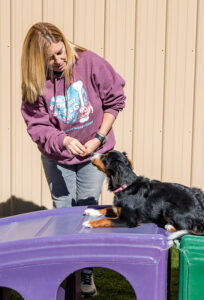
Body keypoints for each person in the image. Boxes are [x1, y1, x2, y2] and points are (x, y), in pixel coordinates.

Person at [21, 22, 126, 297]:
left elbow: (115, 100)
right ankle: (64, 271)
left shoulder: (89, 62)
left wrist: (99, 139)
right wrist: (64, 140)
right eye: (50, 58)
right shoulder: (34, 82)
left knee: (88, 207)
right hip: (57, 156)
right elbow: (38, 127)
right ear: (37, 60)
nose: (59, 60)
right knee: (62, 210)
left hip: (94, 150)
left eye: (60, 52)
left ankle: (86, 276)